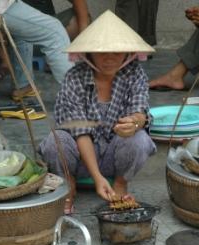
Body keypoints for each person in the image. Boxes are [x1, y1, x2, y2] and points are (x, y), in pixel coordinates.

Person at [39, 10, 156, 214]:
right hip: (81, 158)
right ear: (89, 53)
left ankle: (120, 184)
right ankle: (69, 185)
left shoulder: (134, 73)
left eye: (116, 52)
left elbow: (140, 110)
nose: (109, 58)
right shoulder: (74, 77)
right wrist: (97, 178)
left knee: (140, 139)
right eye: (102, 52)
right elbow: (80, 132)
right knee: (54, 141)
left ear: (128, 53)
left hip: (114, 156)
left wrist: (136, 122)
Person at [23, 0, 90, 40]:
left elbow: (79, 3)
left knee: (82, 18)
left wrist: (84, 34)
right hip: (24, 38)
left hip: (49, 26)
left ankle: (94, 62)